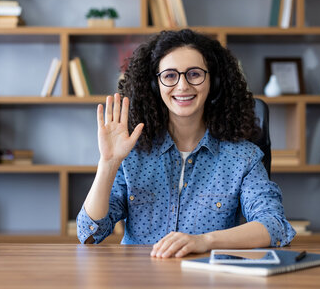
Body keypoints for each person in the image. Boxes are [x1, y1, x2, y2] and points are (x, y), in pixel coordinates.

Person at [77, 29, 295, 258]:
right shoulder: (132, 152)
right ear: (155, 84)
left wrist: (205, 241)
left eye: (194, 74)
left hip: (209, 280)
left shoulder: (243, 157)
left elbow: (275, 225)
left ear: (214, 81)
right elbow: (90, 233)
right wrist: (109, 163)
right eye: (170, 75)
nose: (182, 86)